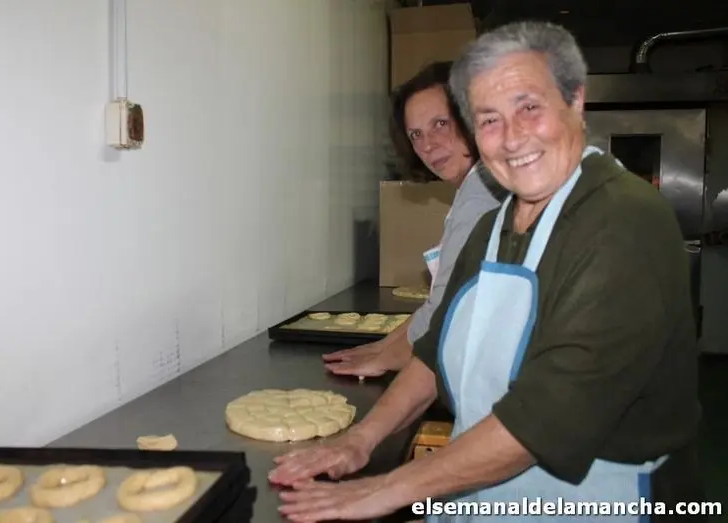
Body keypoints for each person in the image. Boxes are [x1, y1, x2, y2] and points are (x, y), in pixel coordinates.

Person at [269, 20, 705, 523]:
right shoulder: (493, 227)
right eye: (489, 119)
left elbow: (544, 420)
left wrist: (385, 489)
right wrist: (360, 440)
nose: (512, 138)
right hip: (488, 488)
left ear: (575, 102)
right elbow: (432, 357)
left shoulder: (624, 223)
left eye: (529, 108)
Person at [322, 61, 504, 378]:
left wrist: (384, 359)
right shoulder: (481, 182)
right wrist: (383, 347)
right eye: (416, 134)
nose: (428, 145)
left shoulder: (484, 191)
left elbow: (447, 315)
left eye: (440, 124)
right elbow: (440, 303)